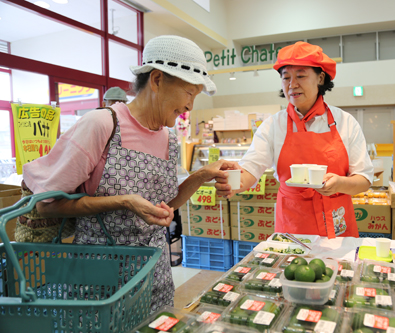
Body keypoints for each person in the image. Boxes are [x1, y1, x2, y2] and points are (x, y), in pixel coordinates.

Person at [22, 35, 240, 311]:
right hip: (98, 280)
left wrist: (200, 176)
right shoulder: (102, 125)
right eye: (189, 93)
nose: (190, 106)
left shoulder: (170, 139)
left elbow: (164, 208)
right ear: (157, 80)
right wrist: (123, 201)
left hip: (154, 275)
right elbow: (47, 207)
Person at [215, 41, 374, 238]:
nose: (292, 84)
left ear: (320, 78)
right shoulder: (273, 125)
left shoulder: (345, 122)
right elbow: (251, 168)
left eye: (300, 76)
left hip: (336, 223)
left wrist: (339, 183)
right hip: (292, 226)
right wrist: (233, 182)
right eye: (286, 77)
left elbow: (364, 179)